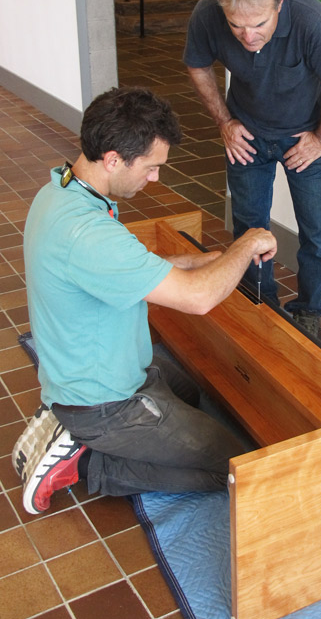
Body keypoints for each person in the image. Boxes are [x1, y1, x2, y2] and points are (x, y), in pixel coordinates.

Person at [13, 87, 276, 515]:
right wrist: (246, 244)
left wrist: (205, 258)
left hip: (96, 374)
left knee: (189, 391)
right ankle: (92, 464)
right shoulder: (90, 235)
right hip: (105, 404)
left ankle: (75, 427)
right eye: (151, 168)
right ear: (114, 159)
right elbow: (199, 298)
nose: (155, 178)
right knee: (236, 466)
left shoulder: (63, 190)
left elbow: (130, 265)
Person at [183, 0, 321, 340]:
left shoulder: (311, 21)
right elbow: (197, 65)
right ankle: (261, 302)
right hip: (248, 134)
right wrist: (225, 122)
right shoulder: (208, 14)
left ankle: (309, 310)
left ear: (279, 3)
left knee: (317, 231)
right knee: (248, 228)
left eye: (258, 24)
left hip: (303, 137)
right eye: (236, 26)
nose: (248, 36)